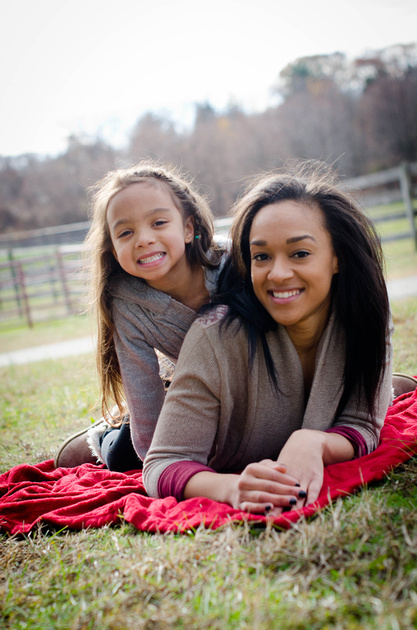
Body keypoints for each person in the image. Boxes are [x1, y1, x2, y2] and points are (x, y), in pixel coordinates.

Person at [143, 165, 397, 514]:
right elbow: (163, 463)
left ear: (337, 257)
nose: (277, 274)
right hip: (189, 416)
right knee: (106, 452)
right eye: (261, 256)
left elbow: (363, 425)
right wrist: (230, 487)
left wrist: (315, 442)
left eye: (300, 253)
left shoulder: (365, 317)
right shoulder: (213, 337)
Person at [54, 161, 225, 471]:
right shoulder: (127, 304)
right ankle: (107, 432)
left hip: (240, 390)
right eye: (126, 232)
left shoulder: (231, 268)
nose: (143, 239)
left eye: (158, 222)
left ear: (188, 228)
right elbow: (143, 388)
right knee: (124, 457)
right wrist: (161, 464)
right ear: (113, 248)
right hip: (189, 391)